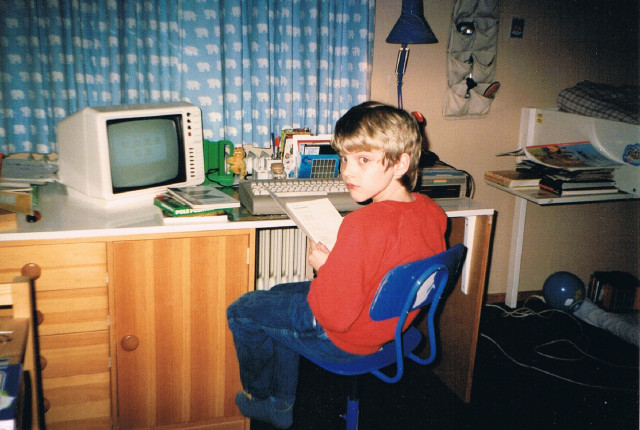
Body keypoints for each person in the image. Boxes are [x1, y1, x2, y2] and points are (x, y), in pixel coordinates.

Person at [226, 101, 448, 428]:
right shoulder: (430, 209)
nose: (347, 171)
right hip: (393, 323)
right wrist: (341, 263)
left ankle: (265, 400)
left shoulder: (362, 224)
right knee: (276, 293)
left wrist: (325, 267)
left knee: (243, 309)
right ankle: (280, 401)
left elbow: (335, 316)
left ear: (400, 164)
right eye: (345, 158)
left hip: (349, 338)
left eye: (363, 160)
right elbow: (392, 266)